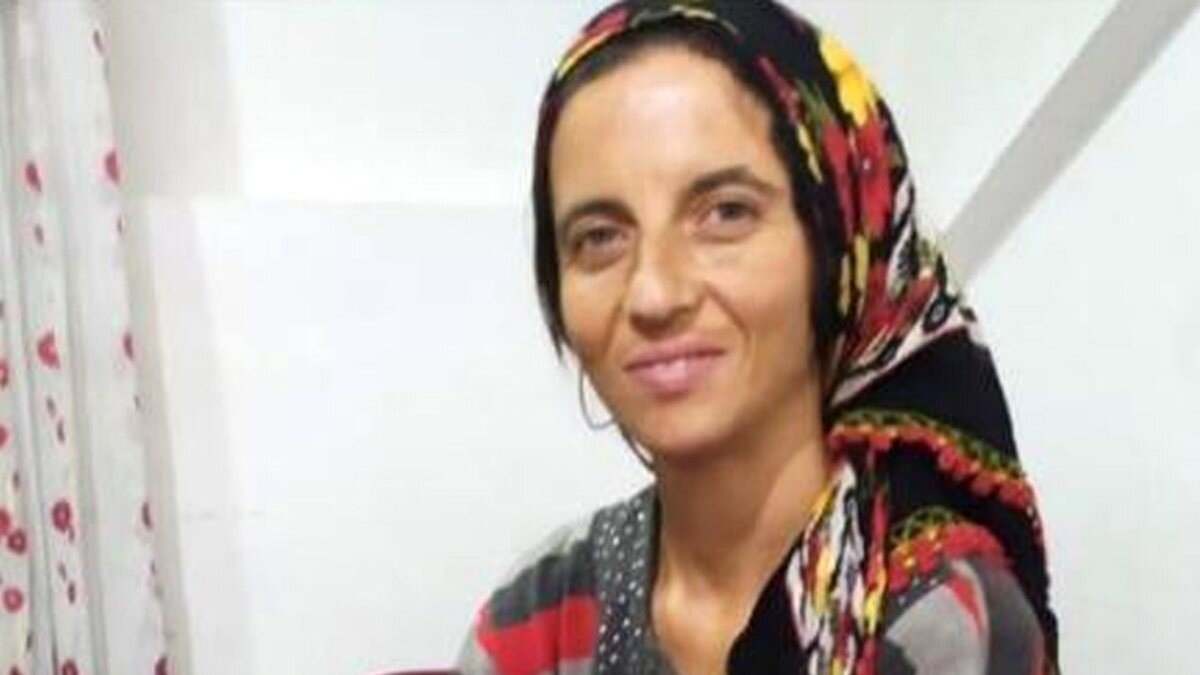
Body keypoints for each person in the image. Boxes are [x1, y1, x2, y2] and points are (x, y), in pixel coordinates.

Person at [458, 1, 1057, 673]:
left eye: (725, 213)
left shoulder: (935, 619)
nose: (654, 293)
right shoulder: (546, 609)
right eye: (599, 237)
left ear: (842, 249)